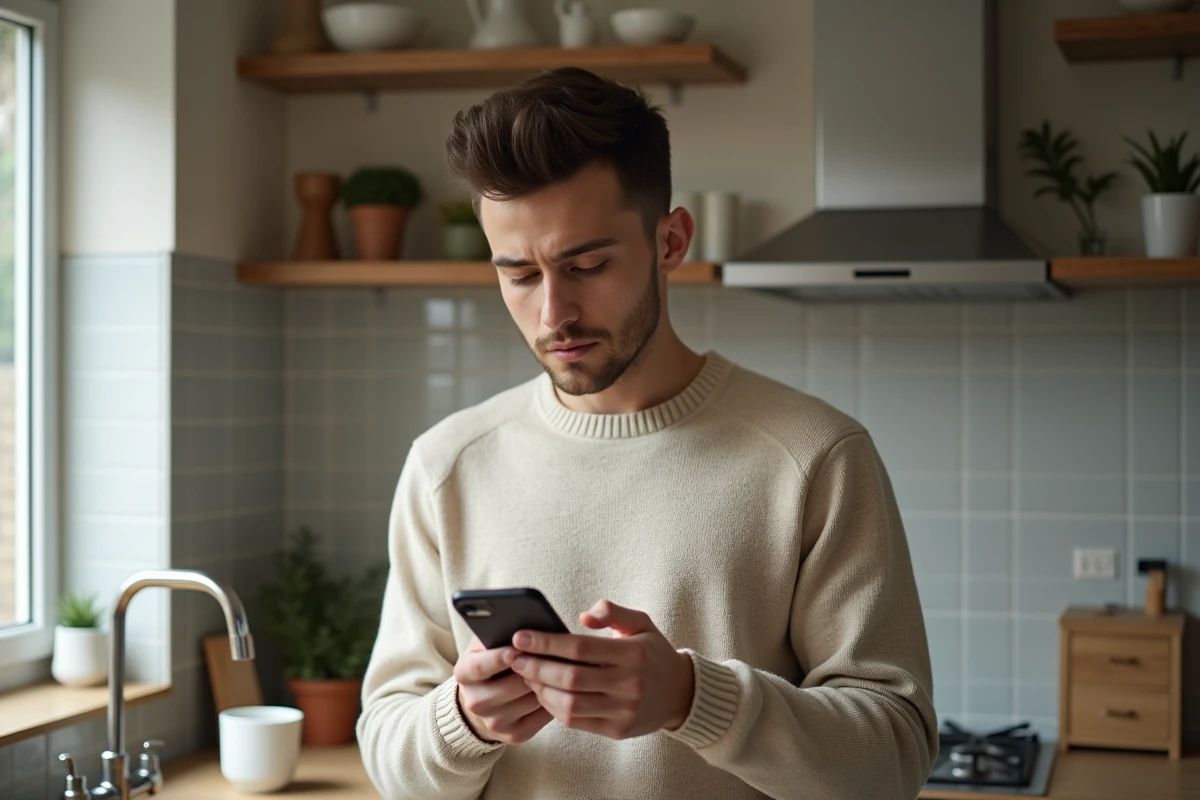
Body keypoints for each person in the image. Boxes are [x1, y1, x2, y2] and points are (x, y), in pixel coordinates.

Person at [356, 66, 937, 800]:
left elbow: (894, 758)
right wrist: (462, 720)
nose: (553, 315)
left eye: (587, 264)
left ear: (670, 241)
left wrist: (696, 700)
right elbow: (386, 749)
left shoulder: (816, 456)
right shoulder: (446, 467)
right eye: (520, 275)